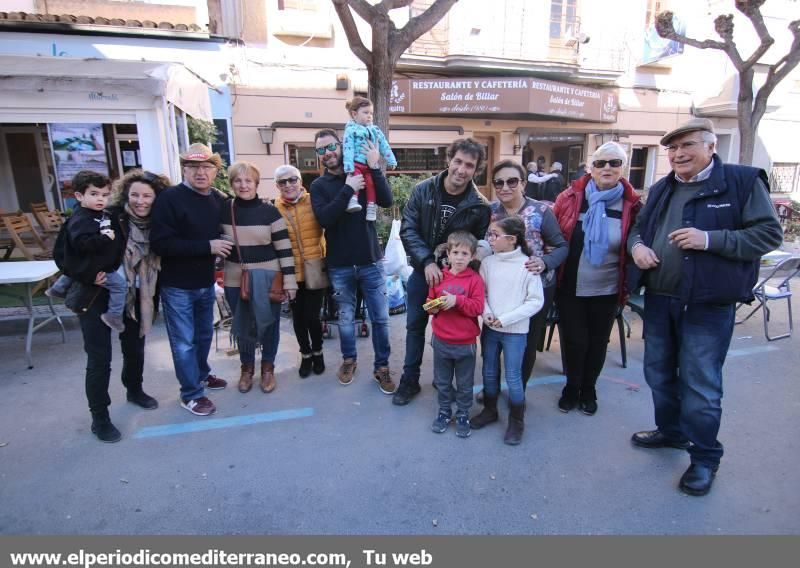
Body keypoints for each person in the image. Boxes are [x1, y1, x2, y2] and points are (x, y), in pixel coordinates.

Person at [627, 118, 782, 496]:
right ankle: (672, 431)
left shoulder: (742, 181)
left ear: (711, 146)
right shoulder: (663, 187)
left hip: (707, 303)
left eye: (688, 146)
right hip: (661, 299)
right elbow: (638, 230)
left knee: (701, 385)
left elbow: (768, 234)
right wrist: (638, 248)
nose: (679, 154)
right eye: (673, 148)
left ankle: (705, 458)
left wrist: (710, 239)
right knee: (659, 375)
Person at [73, 169, 169, 442]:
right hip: (98, 295)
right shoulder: (108, 216)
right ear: (125, 194)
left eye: (147, 196)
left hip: (139, 294)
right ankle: (99, 418)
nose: (140, 201)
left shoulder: (158, 224)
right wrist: (87, 273)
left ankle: (134, 390)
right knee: (99, 359)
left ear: (156, 198)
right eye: (134, 194)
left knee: (135, 348)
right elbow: (64, 252)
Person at [394, 137, 491, 406]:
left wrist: (455, 269)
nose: (462, 169)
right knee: (415, 326)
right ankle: (409, 380)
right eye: (458, 161)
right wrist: (427, 261)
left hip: (455, 281)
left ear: (476, 169)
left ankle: (443, 377)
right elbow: (408, 229)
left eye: (469, 165)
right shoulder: (423, 190)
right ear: (449, 160)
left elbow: (478, 244)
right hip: (422, 273)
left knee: (447, 329)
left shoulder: (479, 205)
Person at [552, 142, 642, 416]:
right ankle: (571, 387)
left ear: (622, 168)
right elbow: (553, 237)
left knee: (597, 341)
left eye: (614, 163)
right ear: (590, 168)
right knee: (574, 341)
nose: (607, 168)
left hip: (608, 288)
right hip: (571, 286)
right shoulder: (569, 198)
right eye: (601, 163)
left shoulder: (633, 205)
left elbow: (637, 240)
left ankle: (588, 389)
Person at [310, 128, 395, 394]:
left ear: (342, 145)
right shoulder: (319, 186)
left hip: (371, 261)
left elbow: (387, 200)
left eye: (331, 147)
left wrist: (375, 168)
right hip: (340, 265)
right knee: (345, 319)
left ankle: (382, 367)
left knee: (380, 318)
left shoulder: (363, 172)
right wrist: (347, 190)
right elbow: (325, 218)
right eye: (321, 150)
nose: (327, 154)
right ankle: (349, 360)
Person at [150, 143, 231, 417]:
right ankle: (191, 394)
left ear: (215, 171)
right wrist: (207, 247)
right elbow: (161, 244)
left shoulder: (217, 199)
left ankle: (201, 374)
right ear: (184, 169)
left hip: (205, 282)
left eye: (207, 167)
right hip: (177, 285)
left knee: (205, 334)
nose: (200, 172)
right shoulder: (169, 199)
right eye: (194, 167)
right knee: (184, 341)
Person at [485, 160, 568, 395]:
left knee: (527, 342)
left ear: (523, 183)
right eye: (499, 182)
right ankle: (492, 388)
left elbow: (561, 246)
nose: (505, 187)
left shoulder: (542, 211)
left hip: (535, 287)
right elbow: (482, 244)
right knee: (494, 338)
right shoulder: (491, 212)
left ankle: (516, 391)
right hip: (500, 287)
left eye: (512, 181)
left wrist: (544, 262)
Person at [220, 161, 297, 394]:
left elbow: (284, 249)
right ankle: (246, 369)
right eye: (238, 180)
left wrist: (290, 281)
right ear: (232, 184)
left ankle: (267, 369)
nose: (243, 185)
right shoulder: (225, 210)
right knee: (243, 325)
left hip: (269, 278)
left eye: (248, 180)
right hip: (235, 278)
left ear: (256, 183)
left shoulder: (269, 212)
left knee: (269, 325)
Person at [473, 216, 544, 445]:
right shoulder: (488, 264)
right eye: (489, 234)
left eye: (494, 235)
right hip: (491, 328)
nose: (489, 239)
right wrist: (487, 314)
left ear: (512, 239)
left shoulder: (527, 265)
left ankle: (516, 420)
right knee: (489, 371)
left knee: (513, 376)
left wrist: (505, 319)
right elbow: (481, 294)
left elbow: (535, 301)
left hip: (516, 331)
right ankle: (490, 410)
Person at [48, 171, 127, 333]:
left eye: (105, 195)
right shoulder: (82, 219)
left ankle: (58, 288)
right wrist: (105, 238)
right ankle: (114, 316)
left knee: (74, 268)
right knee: (120, 286)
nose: (100, 199)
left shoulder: (94, 213)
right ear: (79, 196)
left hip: (91, 263)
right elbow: (82, 243)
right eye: (94, 194)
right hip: (96, 267)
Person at [424, 231, 485, 438]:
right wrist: (434, 306)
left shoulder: (475, 280)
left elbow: (477, 308)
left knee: (465, 383)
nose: (459, 257)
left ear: (472, 256)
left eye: (465, 254)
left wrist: (457, 301)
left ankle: (462, 414)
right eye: (456, 252)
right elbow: (429, 303)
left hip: (465, 343)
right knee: (442, 382)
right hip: (441, 341)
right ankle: (443, 412)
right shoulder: (439, 277)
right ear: (448, 255)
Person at [274, 165, 327, 378]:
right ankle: (305, 354)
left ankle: (318, 352)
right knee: (298, 318)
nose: (288, 185)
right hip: (290, 272)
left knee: (312, 316)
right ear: (277, 186)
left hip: (315, 268)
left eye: (292, 180)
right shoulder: (274, 209)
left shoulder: (315, 201)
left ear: (300, 182)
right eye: (283, 182)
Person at [342, 96, 397, 221]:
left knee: (370, 184)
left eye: (371, 113)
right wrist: (348, 166)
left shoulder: (375, 130)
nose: (369, 116)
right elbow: (348, 148)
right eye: (366, 112)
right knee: (355, 180)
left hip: (368, 166)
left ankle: (371, 207)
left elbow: (384, 145)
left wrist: (391, 160)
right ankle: (353, 200)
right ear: (354, 114)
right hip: (355, 164)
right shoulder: (351, 130)